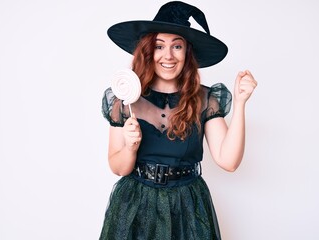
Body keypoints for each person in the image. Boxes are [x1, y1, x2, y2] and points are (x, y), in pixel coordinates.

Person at [100, 1, 257, 239]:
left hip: (188, 207)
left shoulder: (205, 99)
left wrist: (241, 102)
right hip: (135, 206)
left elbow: (229, 161)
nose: (168, 56)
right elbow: (118, 167)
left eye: (177, 46)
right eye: (159, 46)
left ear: (187, 53)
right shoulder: (125, 101)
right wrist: (131, 147)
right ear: (148, 51)